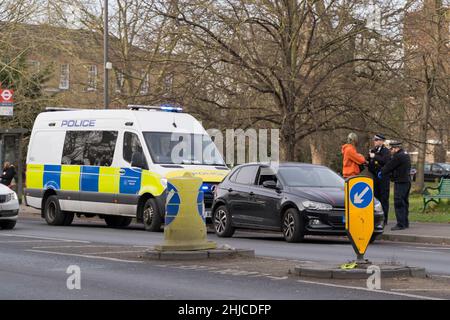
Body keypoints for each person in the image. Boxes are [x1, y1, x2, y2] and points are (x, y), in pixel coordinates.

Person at [381, 141, 411, 231]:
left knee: (399, 202)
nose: (391, 151)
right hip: (407, 181)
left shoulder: (398, 156)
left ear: (396, 148)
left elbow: (389, 166)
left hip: (400, 182)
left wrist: (381, 172)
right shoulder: (405, 154)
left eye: (392, 149)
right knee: (405, 202)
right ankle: (405, 222)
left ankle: (400, 224)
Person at [367, 134, 391, 225]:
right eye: (375, 140)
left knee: (384, 198)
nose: (375, 141)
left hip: (383, 177)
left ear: (381, 141)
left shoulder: (386, 151)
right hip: (375, 177)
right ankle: (376, 218)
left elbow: (385, 160)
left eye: (377, 140)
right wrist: (369, 159)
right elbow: (371, 162)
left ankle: (384, 219)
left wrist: (374, 156)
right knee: (376, 198)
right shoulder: (374, 150)